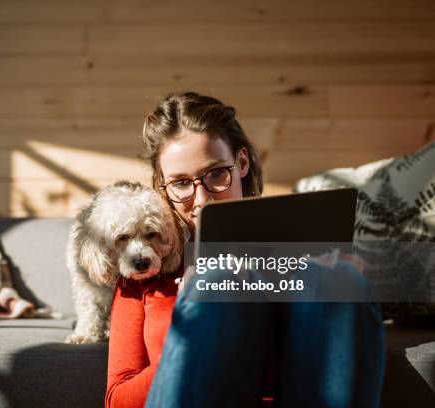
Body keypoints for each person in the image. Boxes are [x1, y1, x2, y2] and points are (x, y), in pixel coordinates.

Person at [105, 91, 385, 408]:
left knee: (339, 281)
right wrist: (188, 331)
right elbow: (117, 398)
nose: (202, 200)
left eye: (215, 174)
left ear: (241, 163)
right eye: (181, 183)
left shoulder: (296, 260)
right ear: (162, 187)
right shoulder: (142, 270)